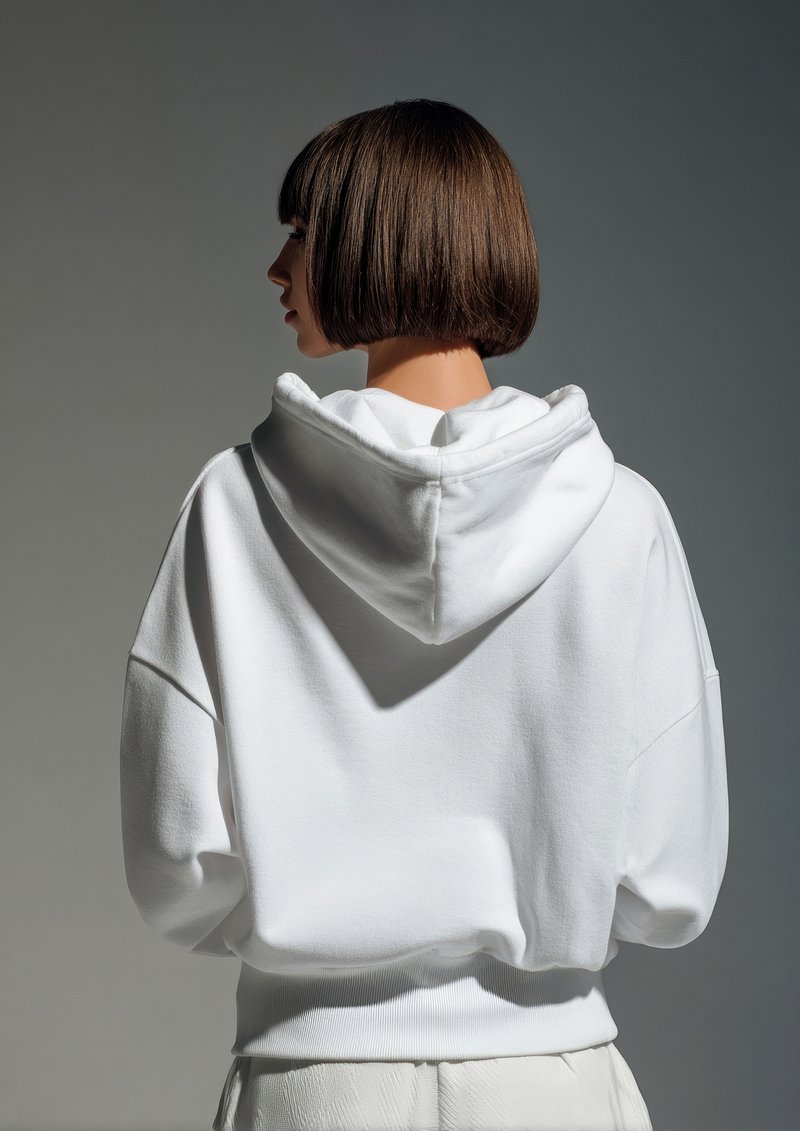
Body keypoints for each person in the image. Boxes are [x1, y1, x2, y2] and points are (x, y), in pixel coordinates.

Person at [119, 98, 729, 1131]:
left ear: (379, 243)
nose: (276, 268)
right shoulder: (622, 517)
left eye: (302, 233)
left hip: (311, 1086)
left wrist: (309, 925)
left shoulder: (232, 506)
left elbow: (175, 860)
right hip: (554, 1086)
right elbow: (670, 875)